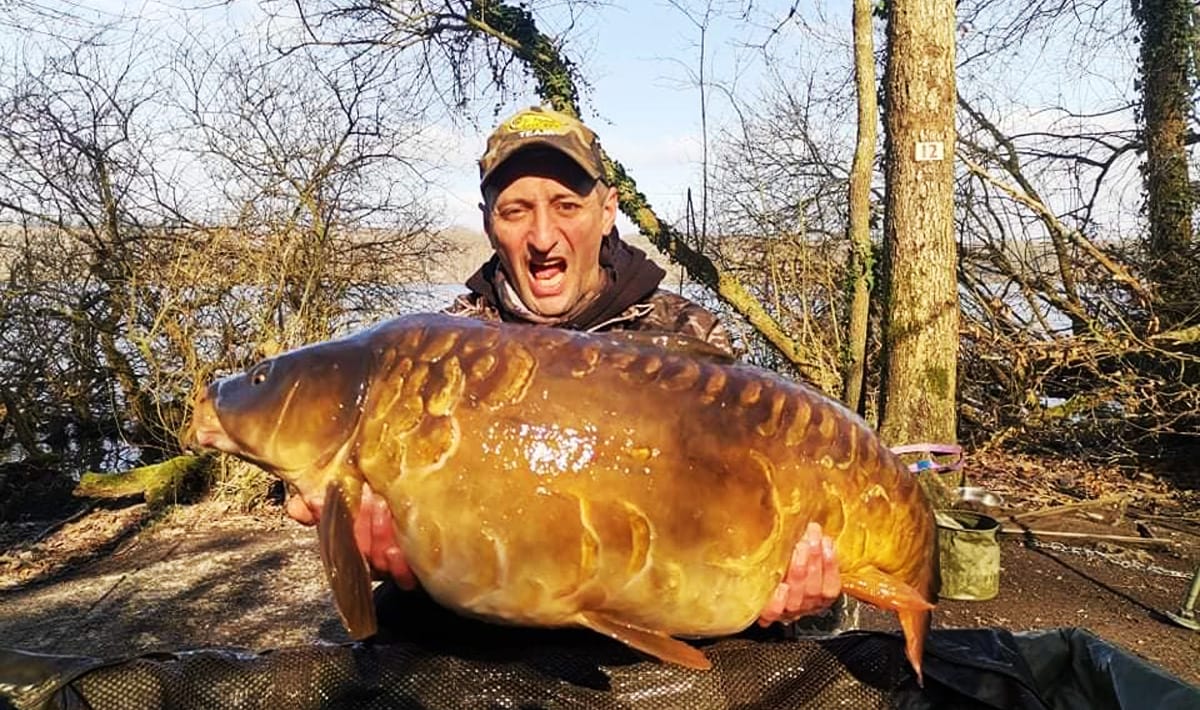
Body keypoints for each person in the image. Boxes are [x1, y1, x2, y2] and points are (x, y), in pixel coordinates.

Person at [286, 105, 840, 631]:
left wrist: (783, 586)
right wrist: (383, 549)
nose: (544, 238)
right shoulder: (435, 358)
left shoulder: (686, 337)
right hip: (489, 633)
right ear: (487, 223)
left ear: (607, 212)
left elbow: (753, 511)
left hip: (660, 623)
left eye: (566, 206)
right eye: (516, 211)